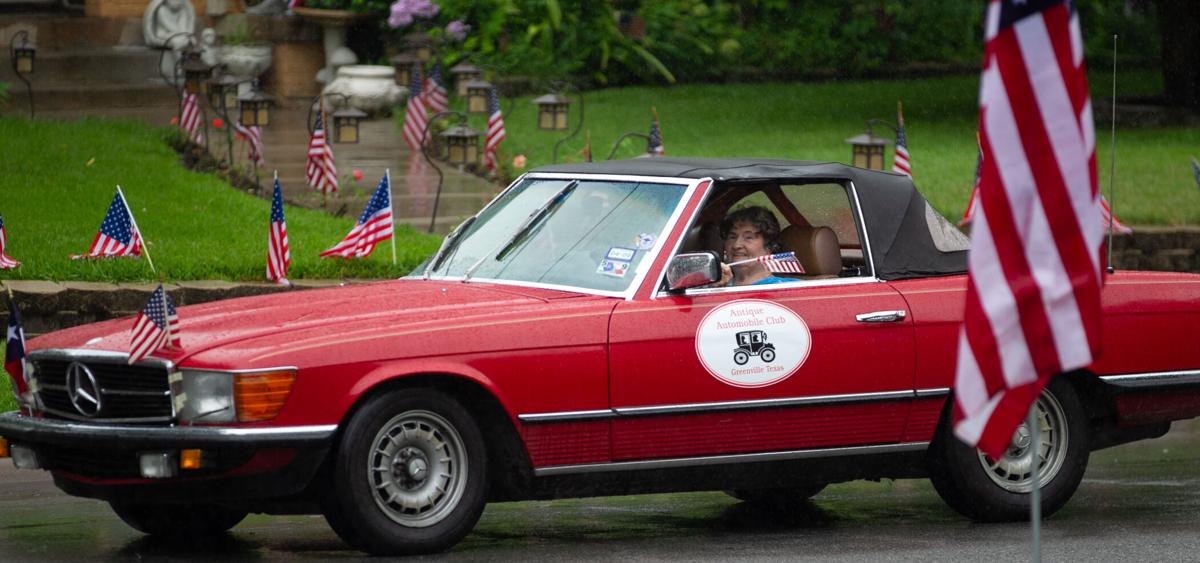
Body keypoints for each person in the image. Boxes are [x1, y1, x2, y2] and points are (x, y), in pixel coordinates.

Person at [712, 206, 793, 287]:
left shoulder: (790, 288)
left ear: (770, 245)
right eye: (732, 237)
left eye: (748, 237)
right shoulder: (713, 286)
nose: (736, 245)